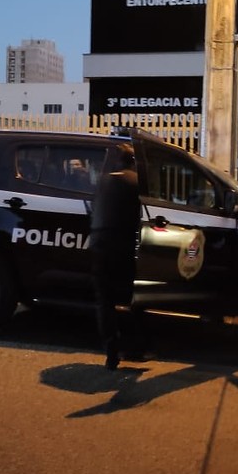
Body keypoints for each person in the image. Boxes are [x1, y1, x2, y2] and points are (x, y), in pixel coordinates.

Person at [88, 144, 141, 370]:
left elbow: (94, 208)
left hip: (99, 243)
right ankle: (136, 348)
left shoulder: (103, 181)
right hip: (122, 245)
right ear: (133, 162)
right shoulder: (135, 182)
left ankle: (111, 353)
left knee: (105, 301)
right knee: (135, 296)